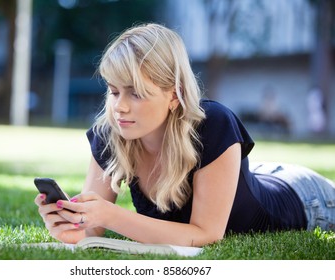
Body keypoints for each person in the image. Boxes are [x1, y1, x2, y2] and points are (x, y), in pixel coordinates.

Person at [35, 23, 335, 247]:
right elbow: (92, 230)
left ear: (175, 94)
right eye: (113, 91)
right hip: (246, 176)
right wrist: (71, 226)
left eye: (136, 93)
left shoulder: (213, 124)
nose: (119, 107)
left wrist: (110, 216)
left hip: (306, 196)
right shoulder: (111, 132)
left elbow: (205, 235)